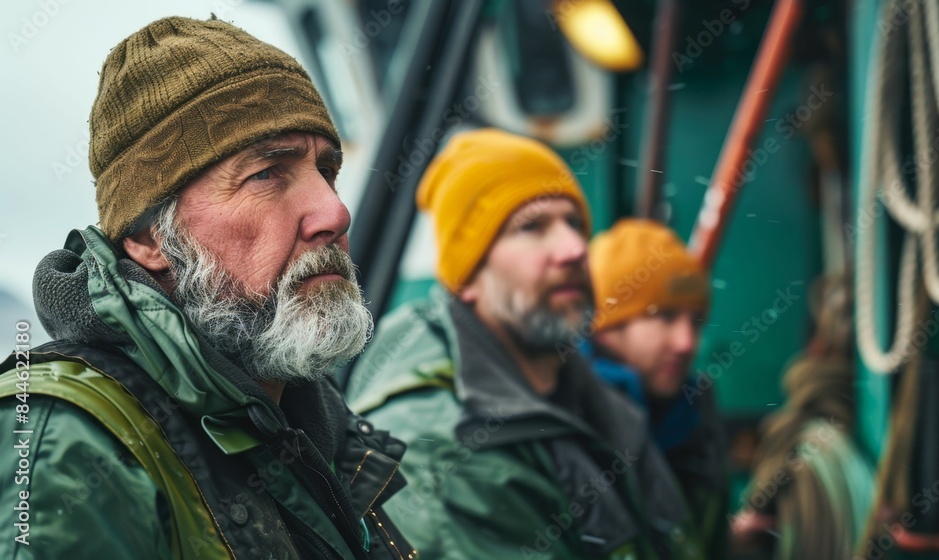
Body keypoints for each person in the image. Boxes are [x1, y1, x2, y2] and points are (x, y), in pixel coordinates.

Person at [0, 16, 415, 560]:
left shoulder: (320, 430)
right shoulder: (62, 442)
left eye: (328, 171)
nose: (335, 212)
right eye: (267, 173)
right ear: (151, 239)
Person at [346, 128, 704, 559]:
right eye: (531, 227)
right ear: (469, 278)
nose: (574, 248)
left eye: (574, 223)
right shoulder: (443, 448)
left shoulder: (587, 399)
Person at [587, 219, 729, 559]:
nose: (686, 343)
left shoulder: (692, 418)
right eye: (664, 316)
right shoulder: (569, 420)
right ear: (607, 328)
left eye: (695, 321)